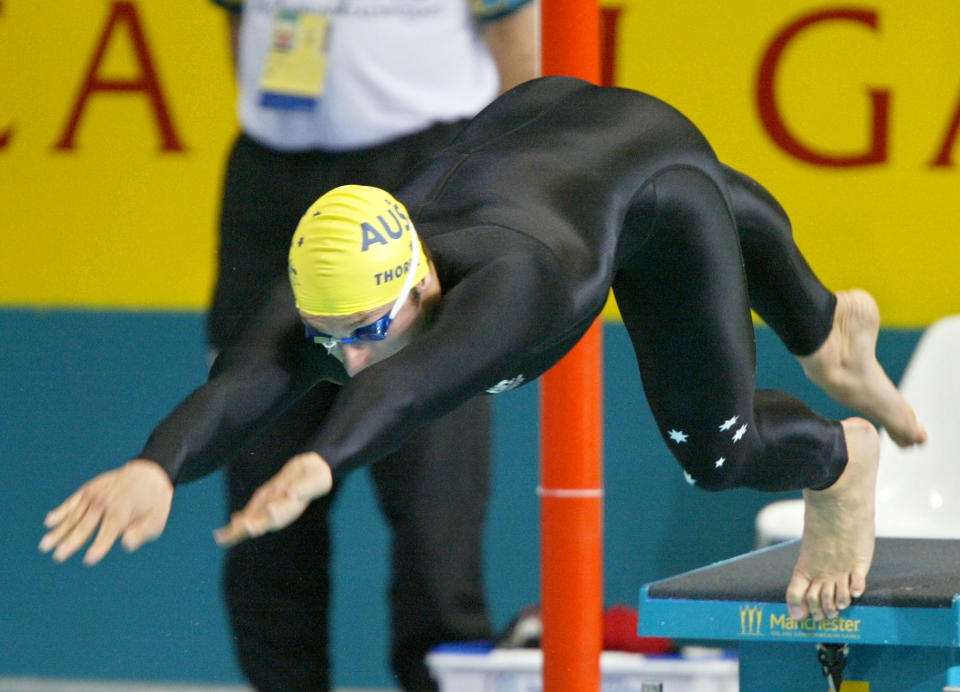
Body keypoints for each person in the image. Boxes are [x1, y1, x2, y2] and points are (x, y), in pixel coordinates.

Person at [41, 75, 927, 645]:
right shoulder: (331, 302)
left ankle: (843, 454)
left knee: (719, 456)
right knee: (643, 172)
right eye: (327, 335)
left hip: (647, 186)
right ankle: (825, 332)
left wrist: (318, 460)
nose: (347, 357)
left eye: (365, 331)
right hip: (550, 132)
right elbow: (239, 388)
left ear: (423, 288)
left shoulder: (513, 286)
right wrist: (155, 468)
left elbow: (411, 387)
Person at [203, 0, 537, 688]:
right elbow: (239, 27)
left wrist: (500, 201)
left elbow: (521, 57)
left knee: (437, 510)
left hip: (425, 176)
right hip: (274, 190)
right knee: (262, 506)